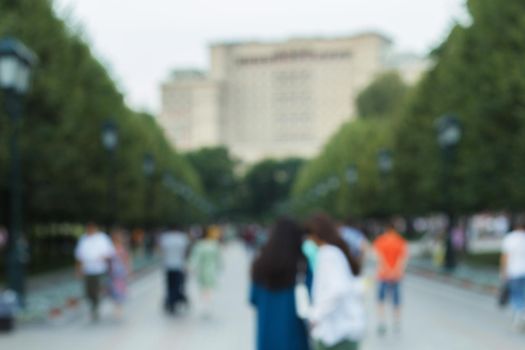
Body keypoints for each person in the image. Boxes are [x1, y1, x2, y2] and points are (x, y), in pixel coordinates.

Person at [250, 218, 311, 350]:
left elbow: (253, 299)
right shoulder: (302, 265)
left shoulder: (259, 265)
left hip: (267, 338)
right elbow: (311, 297)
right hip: (295, 338)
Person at [307, 213, 365, 350]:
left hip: (336, 333)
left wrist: (315, 315)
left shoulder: (327, 253)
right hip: (344, 330)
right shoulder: (335, 251)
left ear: (316, 234)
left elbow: (337, 290)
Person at [74, 222, 115, 322]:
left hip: (99, 269)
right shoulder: (84, 239)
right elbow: (79, 256)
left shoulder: (102, 238)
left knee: (96, 289)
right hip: (87, 269)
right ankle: (93, 305)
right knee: (88, 291)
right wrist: (78, 269)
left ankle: (95, 308)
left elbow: (110, 253)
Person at [373, 222, 408, 335]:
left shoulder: (381, 240)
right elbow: (402, 259)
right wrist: (395, 271)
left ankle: (382, 322)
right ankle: (397, 322)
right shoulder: (401, 241)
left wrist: (387, 270)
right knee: (396, 301)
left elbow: (379, 257)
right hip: (396, 276)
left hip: (383, 275)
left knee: (381, 300)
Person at [190, 226, 221, 317]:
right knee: (209, 289)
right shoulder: (214, 244)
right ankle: (208, 305)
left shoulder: (199, 245)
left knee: (203, 288)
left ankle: (205, 306)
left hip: (202, 270)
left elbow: (195, 258)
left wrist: (191, 267)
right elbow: (218, 258)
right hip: (211, 269)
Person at [159, 226, 190, 314]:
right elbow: (185, 252)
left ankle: (170, 302)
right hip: (179, 266)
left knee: (169, 285)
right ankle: (175, 301)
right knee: (178, 285)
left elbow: (162, 251)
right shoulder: (182, 238)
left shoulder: (165, 238)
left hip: (168, 265)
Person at [501, 218, 525, 331]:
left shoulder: (510, 238)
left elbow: (505, 257)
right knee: (522, 293)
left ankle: (519, 315)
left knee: (516, 295)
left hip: (514, 271)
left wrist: (504, 272)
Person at [109, 229, 131, 318]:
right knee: (114, 290)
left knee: (119, 289)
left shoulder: (122, 249)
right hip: (112, 272)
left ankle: (119, 306)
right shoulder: (110, 248)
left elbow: (126, 260)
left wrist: (128, 270)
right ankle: (117, 305)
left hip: (120, 272)